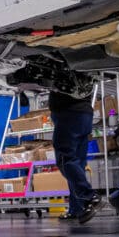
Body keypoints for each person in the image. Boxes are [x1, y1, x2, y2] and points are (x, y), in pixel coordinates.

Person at [49, 91, 103, 224]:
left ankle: (89, 196)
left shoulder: (63, 71)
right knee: (77, 163)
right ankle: (77, 208)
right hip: (85, 114)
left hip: (68, 113)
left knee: (64, 159)